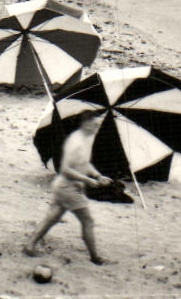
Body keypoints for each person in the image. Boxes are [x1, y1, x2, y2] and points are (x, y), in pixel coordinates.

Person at [25, 112, 114, 264]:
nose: (97, 127)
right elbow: (65, 169)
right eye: (94, 124)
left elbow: (85, 163)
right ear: (85, 123)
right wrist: (87, 180)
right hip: (68, 188)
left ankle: (29, 245)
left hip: (64, 187)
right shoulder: (75, 141)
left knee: (51, 218)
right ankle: (95, 258)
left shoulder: (87, 139)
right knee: (88, 221)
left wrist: (98, 176)